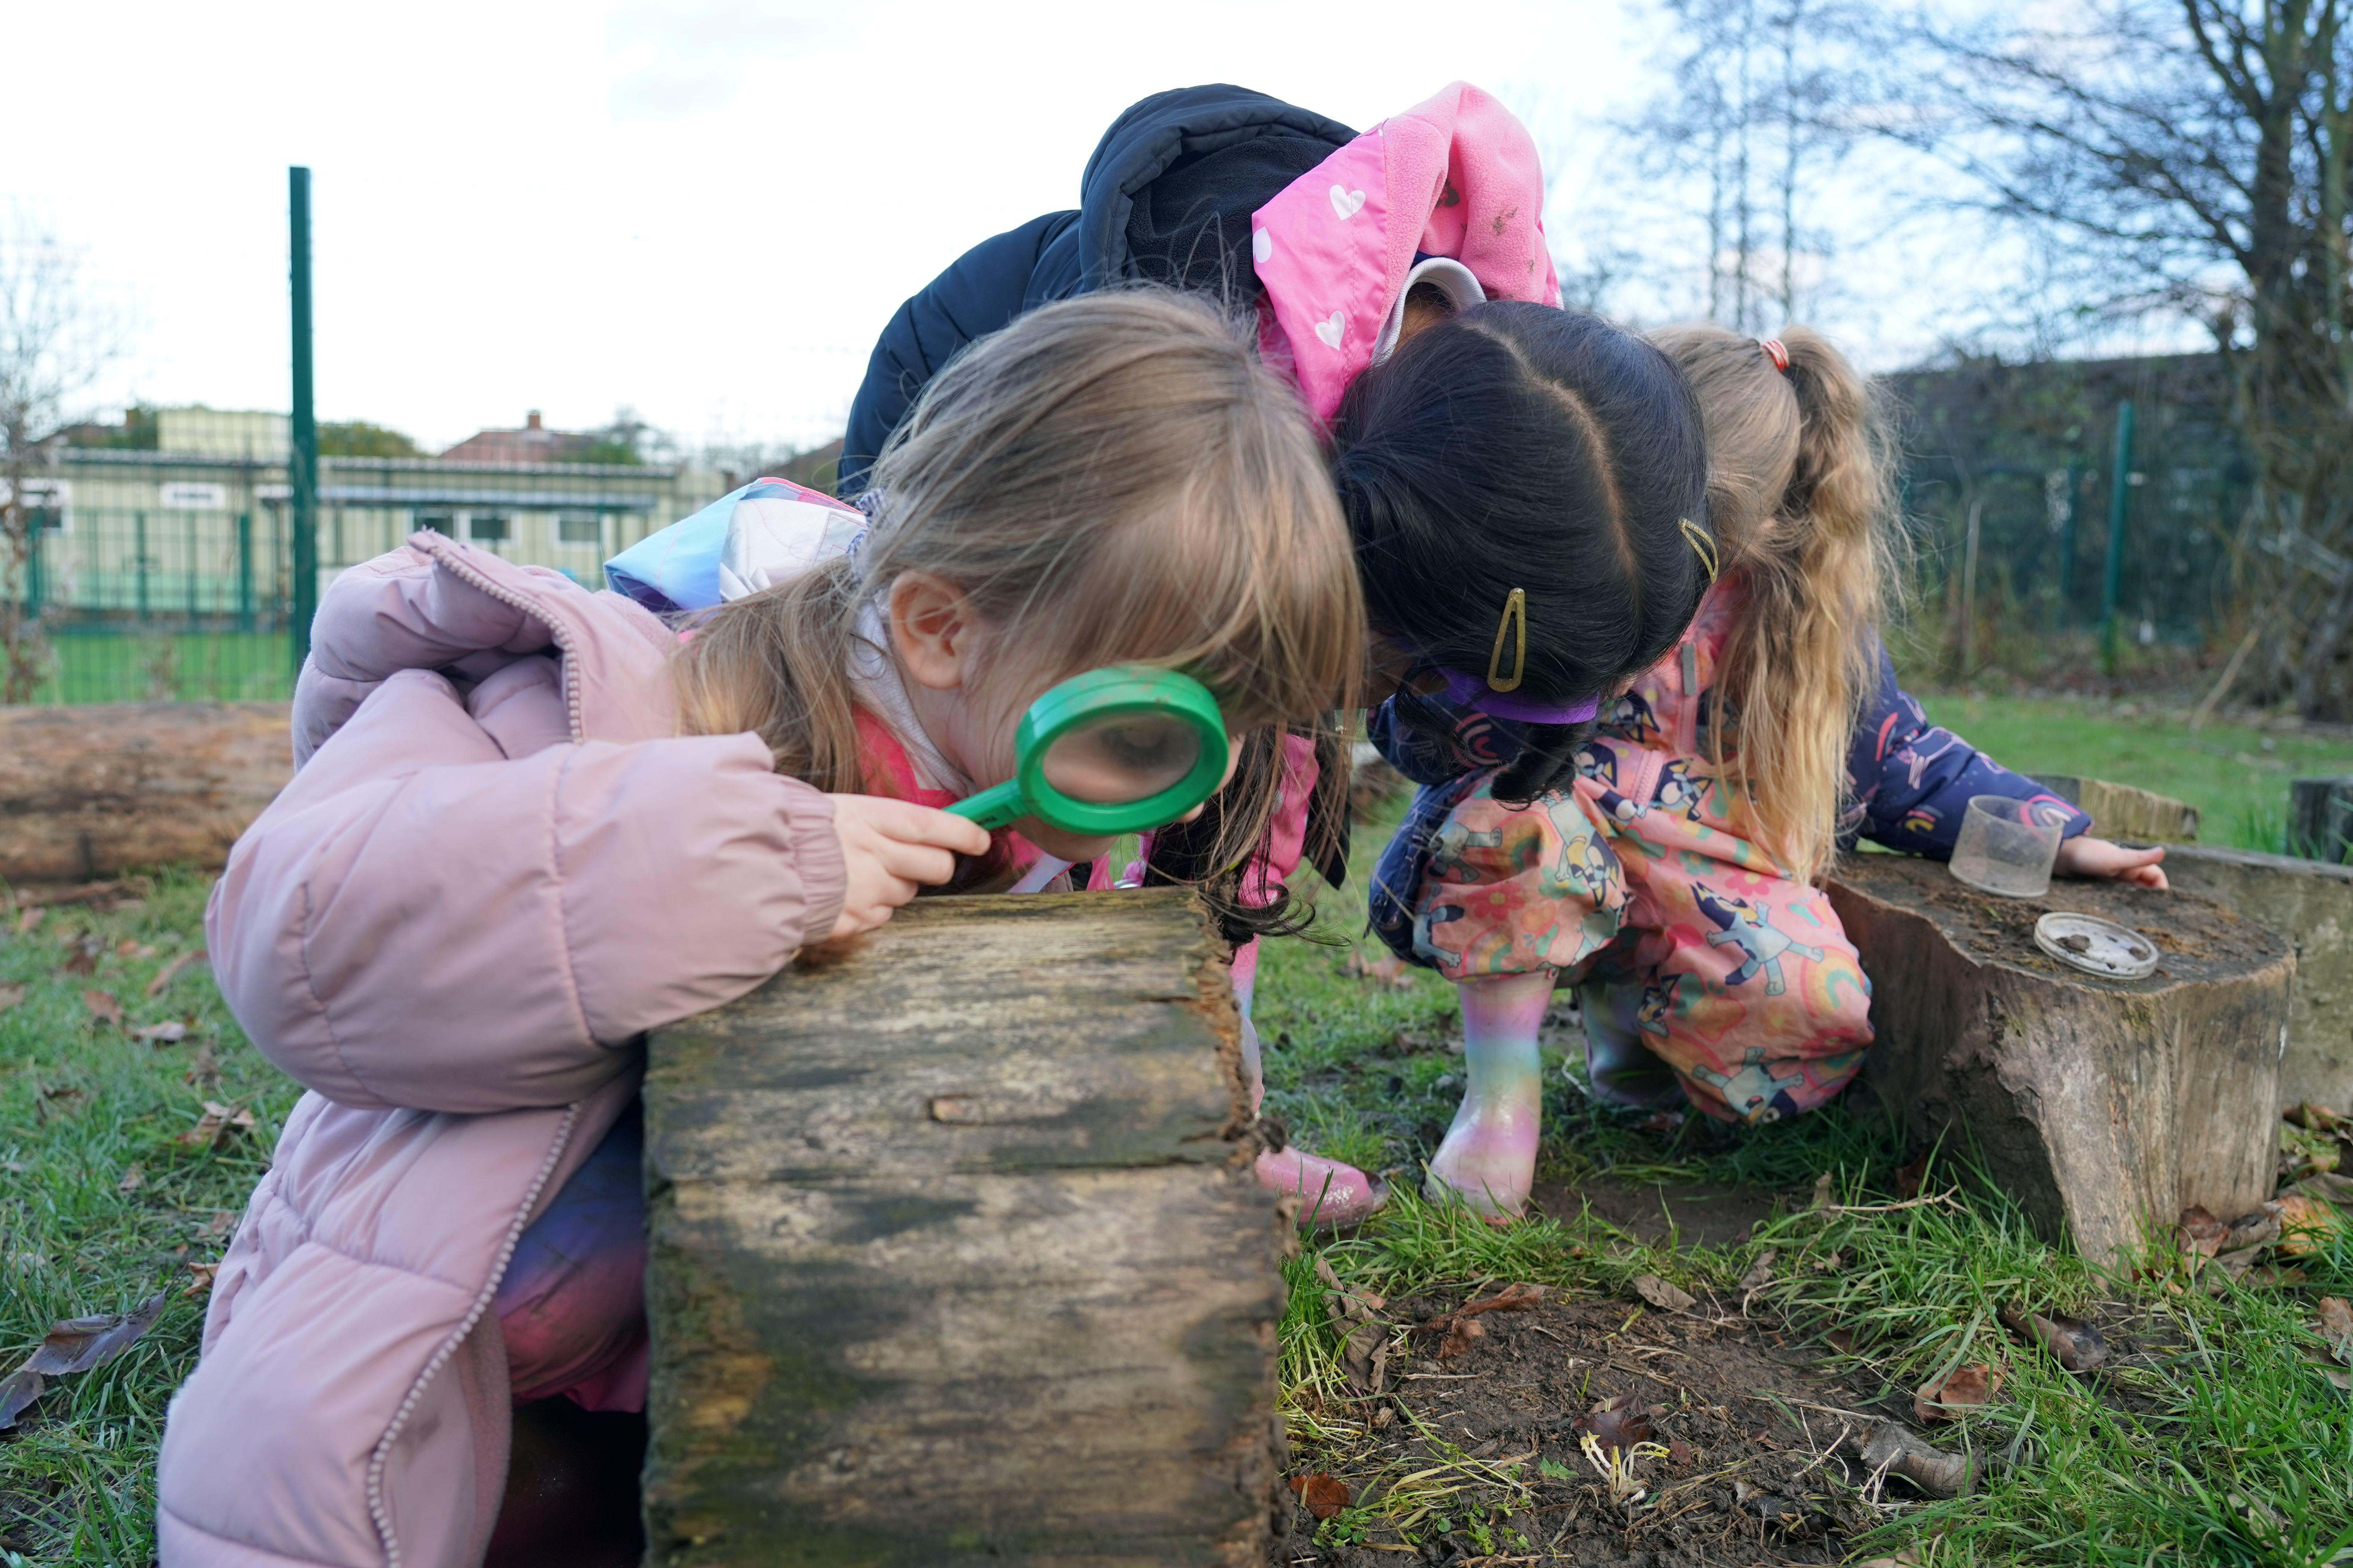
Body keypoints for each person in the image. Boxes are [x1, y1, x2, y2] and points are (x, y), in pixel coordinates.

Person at [154, 290, 1363, 1567]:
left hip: (726, 1363)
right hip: (428, 1370)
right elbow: (298, 939)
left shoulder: (1030, 812)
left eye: (1238, 725)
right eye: (1147, 726)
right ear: (939, 628)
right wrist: (733, 863)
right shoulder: (594, 700)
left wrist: (1169, 1151)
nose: (1195, 772)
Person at [622, 80, 1711, 1225]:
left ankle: (1193, 1117)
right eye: (1404, 686)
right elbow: (1176, 760)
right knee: (970, 818)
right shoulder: (1197, 423)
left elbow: (1245, 802)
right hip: (999, 506)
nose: (1400, 718)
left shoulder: (1522, 439)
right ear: (1364, 577)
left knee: (1188, 799)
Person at [1368, 323, 2166, 1221]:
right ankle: (1500, 1099)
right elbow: (1410, 734)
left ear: (1761, 514)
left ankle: (1626, 1027)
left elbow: (1907, 761)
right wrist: (1483, 708)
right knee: (1519, 826)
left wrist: (2053, 832)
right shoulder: (1567, 570)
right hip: (1536, 853)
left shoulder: (1802, 622)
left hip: (1700, 877)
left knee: (1814, 1013)